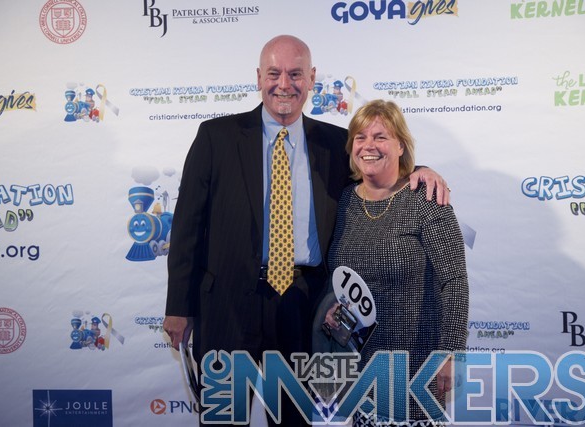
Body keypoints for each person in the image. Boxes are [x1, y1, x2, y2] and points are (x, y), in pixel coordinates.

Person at [163, 35, 450, 426]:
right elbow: (186, 228)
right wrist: (179, 307)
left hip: (305, 309)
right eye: (274, 73)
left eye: (295, 74)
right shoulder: (216, 137)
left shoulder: (335, 143)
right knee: (223, 421)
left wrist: (419, 171)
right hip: (227, 308)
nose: (284, 84)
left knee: (294, 421)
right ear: (258, 77)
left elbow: (377, 169)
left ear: (312, 78)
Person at [323, 99, 469, 426]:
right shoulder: (343, 200)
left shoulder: (425, 198)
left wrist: (451, 353)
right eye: (360, 137)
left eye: (381, 137)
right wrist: (330, 308)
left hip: (415, 368)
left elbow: (455, 281)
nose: (369, 146)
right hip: (359, 370)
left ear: (401, 145)